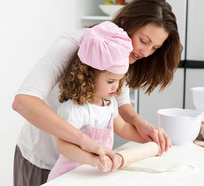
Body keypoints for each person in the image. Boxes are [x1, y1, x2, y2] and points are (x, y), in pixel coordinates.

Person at [12, 0, 181, 185]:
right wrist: (85, 142)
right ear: (126, 22)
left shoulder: (124, 55)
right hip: (41, 161)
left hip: (83, 169)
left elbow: (119, 101)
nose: (146, 52)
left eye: (155, 48)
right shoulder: (73, 43)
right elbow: (24, 101)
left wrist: (141, 124)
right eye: (144, 41)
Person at [47, 21, 146, 181]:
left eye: (118, 81)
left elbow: (122, 127)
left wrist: (150, 140)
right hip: (70, 176)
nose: (115, 87)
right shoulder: (75, 109)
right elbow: (63, 145)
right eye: (110, 81)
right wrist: (93, 159)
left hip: (94, 174)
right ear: (89, 76)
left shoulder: (109, 103)